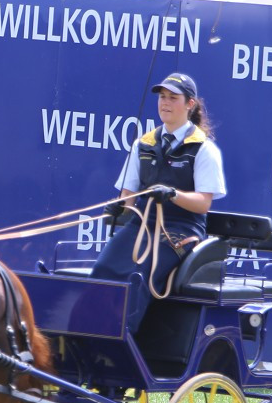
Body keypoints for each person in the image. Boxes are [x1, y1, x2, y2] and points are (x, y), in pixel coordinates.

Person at [91, 71, 226, 331]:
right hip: (142, 225)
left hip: (181, 230)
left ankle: (122, 344)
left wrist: (173, 194)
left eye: (173, 98)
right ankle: (90, 336)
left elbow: (203, 203)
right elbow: (128, 198)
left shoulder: (203, 148)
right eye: (162, 97)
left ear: (190, 104)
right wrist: (119, 208)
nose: (165, 103)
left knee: (138, 276)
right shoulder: (143, 144)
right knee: (102, 271)